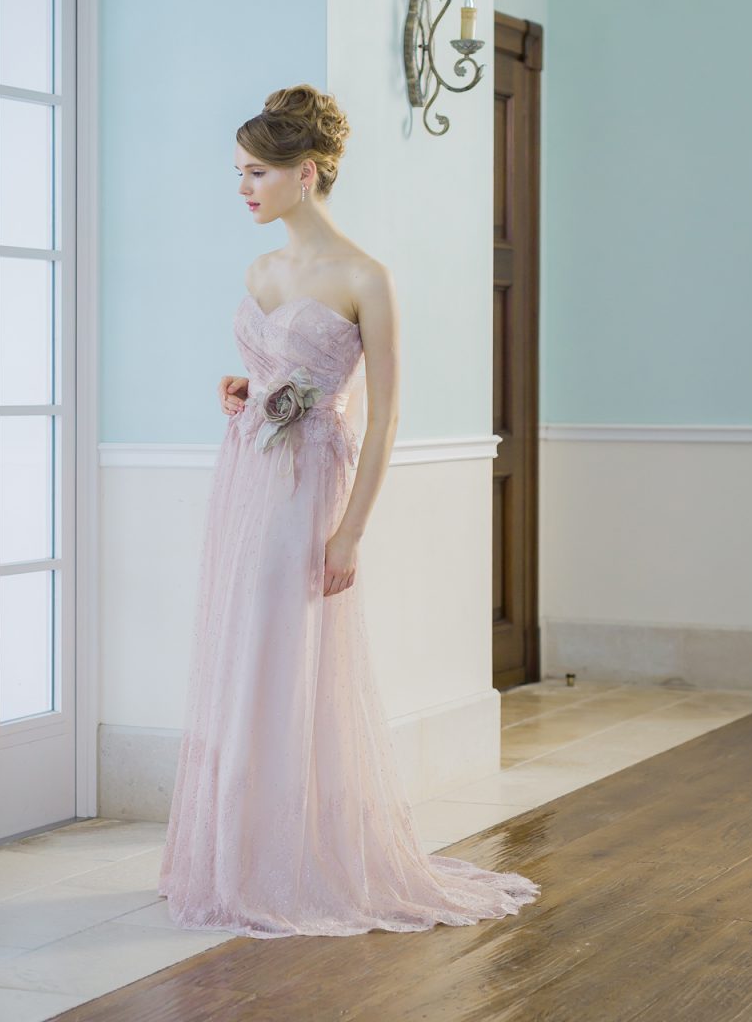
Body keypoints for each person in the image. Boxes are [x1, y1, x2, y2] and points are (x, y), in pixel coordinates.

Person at [156, 84, 541, 938]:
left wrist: (351, 531)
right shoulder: (260, 271)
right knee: (242, 651)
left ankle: (294, 858)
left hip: (308, 491)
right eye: (238, 172)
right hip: (245, 481)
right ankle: (237, 854)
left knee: (288, 657)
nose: (243, 188)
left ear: (307, 172)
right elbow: (274, 375)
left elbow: (385, 411)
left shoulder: (367, 277)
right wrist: (242, 388)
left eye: (257, 172)